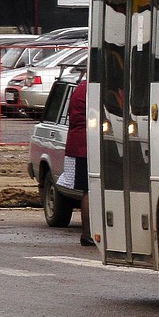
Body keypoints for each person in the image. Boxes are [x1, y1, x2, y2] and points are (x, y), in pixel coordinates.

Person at [66, 75, 91, 245]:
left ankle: (87, 233)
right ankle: (89, 234)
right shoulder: (93, 90)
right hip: (87, 145)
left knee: (86, 190)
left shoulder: (80, 88)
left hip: (79, 144)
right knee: (89, 190)